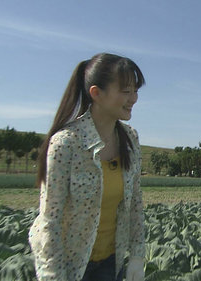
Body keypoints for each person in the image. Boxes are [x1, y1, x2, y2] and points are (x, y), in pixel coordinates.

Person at [29, 53, 146, 281]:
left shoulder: (130, 139)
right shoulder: (66, 144)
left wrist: (137, 257)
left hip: (113, 263)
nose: (134, 98)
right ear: (96, 93)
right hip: (72, 267)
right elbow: (49, 220)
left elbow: (135, 203)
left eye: (135, 91)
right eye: (126, 91)